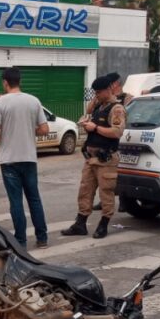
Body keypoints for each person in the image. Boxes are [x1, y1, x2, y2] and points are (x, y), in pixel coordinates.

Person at [0, 67, 50, 248]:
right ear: (19, 81)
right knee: (34, 198)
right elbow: (45, 129)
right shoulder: (33, 101)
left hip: (9, 160)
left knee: (16, 201)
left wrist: (3, 134)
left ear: (5, 82)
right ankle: (42, 238)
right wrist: (29, 131)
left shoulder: (1, 103)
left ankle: (21, 241)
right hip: (29, 158)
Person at [62, 75, 126, 239]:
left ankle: (103, 224)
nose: (96, 95)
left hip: (106, 159)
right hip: (91, 158)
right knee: (85, 191)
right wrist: (86, 122)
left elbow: (117, 131)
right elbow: (90, 111)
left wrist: (95, 128)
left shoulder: (116, 109)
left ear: (108, 90)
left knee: (106, 192)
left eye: (98, 92)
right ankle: (80, 223)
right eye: (95, 92)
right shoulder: (99, 106)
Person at [91, 72, 132, 211]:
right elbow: (90, 109)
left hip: (120, 137)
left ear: (115, 84)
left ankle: (123, 201)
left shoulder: (126, 98)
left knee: (114, 176)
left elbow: (120, 125)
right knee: (104, 179)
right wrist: (95, 98)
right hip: (106, 140)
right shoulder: (101, 101)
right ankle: (104, 201)